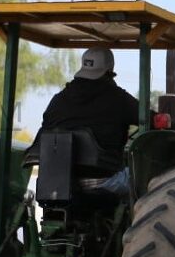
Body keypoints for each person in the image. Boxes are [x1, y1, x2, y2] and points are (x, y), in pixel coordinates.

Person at [37, 48, 139, 194]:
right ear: (109, 72)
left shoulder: (58, 99)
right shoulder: (118, 99)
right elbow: (151, 118)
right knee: (149, 177)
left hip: (57, 183)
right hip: (104, 182)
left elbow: (45, 128)